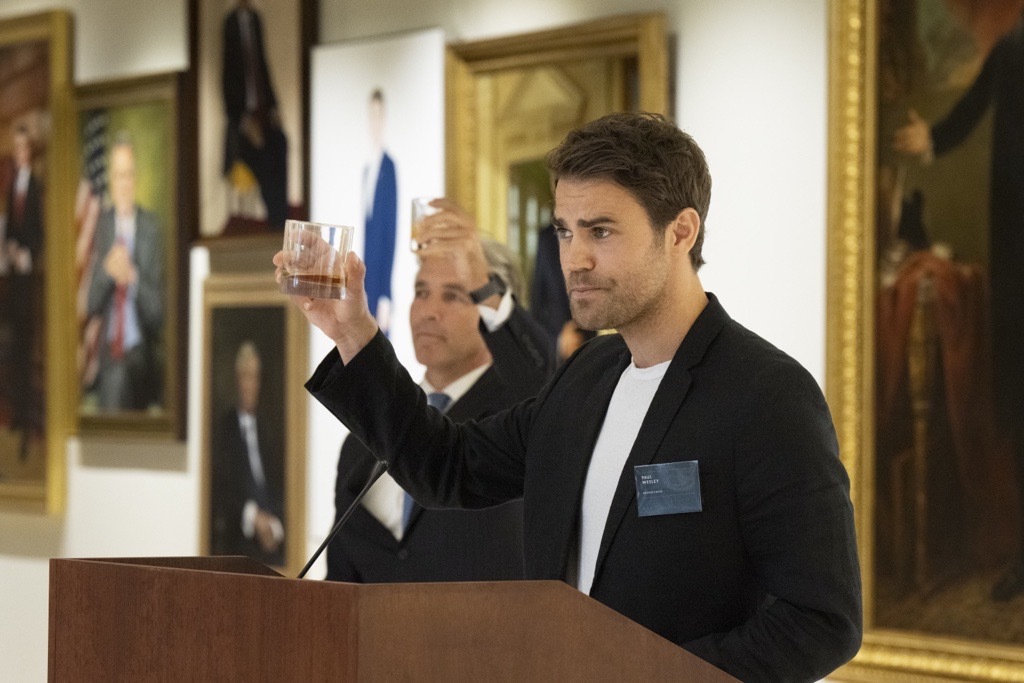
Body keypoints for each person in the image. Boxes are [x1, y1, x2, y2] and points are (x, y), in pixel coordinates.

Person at [277, 112, 862, 681]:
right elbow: (445, 465)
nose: (574, 260)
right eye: (565, 230)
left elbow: (820, 621)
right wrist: (352, 330)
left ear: (681, 232)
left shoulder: (767, 395)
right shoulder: (589, 375)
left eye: (601, 231)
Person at [327, 200, 554, 583]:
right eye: (421, 291)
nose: (428, 311)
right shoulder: (364, 441)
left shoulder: (521, 418)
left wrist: (482, 283)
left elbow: (543, 381)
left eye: (453, 295)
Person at [893, 10, 1024, 601]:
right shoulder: (1014, 47)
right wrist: (931, 140)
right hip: (1019, 258)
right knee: (1018, 407)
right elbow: (971, 111)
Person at [86, 135, 164, 411]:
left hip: (139, 353)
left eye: (129, 174)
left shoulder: (151, 229)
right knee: (113, 379)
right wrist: (108, 272)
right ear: (111, 179)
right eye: (119, 176)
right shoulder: (102, 225)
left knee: (118, 382)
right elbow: (91, 305)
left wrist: (133, 278)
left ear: (136, 178)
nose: (124, 183)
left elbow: (158, 315)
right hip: (107, 353)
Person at [210, 341, 285, 566]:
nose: (249, 385)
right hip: (238, 535)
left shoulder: (267, 429)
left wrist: (275, 525)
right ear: (236, 381)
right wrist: (253, 517)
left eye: (254, 377)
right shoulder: (224, 428)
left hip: (272, 531)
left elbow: (278, 484)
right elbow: (220, 490)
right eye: (244, 377)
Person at [222, 0, 288, 229]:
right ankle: (275, 220)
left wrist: (274, 108)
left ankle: (280, 218)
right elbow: (228, 76)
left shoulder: (256, 20)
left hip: (263, 112)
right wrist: (244, 121)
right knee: (261, 156)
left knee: (281, 142)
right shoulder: (229, 24)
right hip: (242, 120)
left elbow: (262, 65)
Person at [1, 125, 44, 461]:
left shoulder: (36, 186)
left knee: (27, 350)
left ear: (29, 151)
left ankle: (30, 420)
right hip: (11, 277)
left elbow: (38, 232)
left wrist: (26, 253)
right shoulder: (11, 184)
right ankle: (15, 417)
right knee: (13, 349)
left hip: (29, 278)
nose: (19, 153)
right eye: (14, 148)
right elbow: (10, 228)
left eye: (23, 147)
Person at [361, 89, 397, 335]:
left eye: (379, 115)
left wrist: (385, 294)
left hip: (379, 287)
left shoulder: (389, 167)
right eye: (371, 115)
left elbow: (390, 232)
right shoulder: (367, 169)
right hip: (365, 285)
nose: (375, 121)